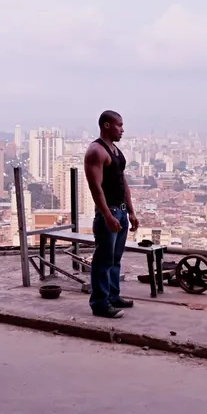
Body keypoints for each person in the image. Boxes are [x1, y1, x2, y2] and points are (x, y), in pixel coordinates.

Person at [83, 110, 139, 319]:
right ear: (106, 125)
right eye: (119, 125)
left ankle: (113, 296)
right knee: (103, 259)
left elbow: (122, 182)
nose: (122, 129)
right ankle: (99, 303)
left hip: (121, 212)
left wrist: (131, 211)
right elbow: (95, 188)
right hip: (109, 212)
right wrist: (107, 215)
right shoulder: (96, 151)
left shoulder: (116, 151)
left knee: (115, 259)